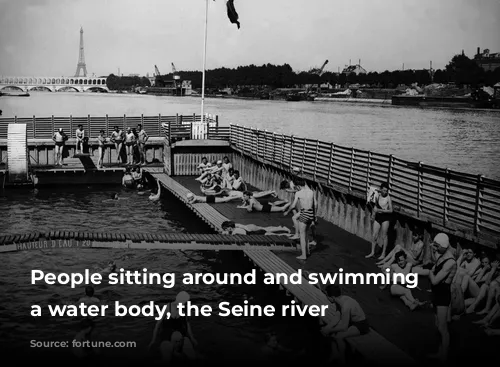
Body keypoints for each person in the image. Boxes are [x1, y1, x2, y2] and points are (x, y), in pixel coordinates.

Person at [320, 284, 370, 364]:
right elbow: (337, 316)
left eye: (326, 295)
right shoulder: (340, 299)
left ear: (332, 297)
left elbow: (344, 327)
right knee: (333, 333)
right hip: (351, 321)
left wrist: (329, 330)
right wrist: (328, 327)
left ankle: (342, 359)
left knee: (339, 336)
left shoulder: (346, 306)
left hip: (360, 325)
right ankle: (335, 354)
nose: (326, 297)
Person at [428, 233, 457, 362]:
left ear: (443, 246)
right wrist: (432, 250)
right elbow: (436, 264)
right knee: (437, 325)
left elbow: (434, 280)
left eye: (437, 246)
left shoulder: (450, 262)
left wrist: (430, 273)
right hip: (437, 293)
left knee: (442, 327)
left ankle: (444, 356)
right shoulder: (443, 255)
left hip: (443, 295)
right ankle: (440, 351)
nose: (435, 248)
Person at [148, 291, 197, 363]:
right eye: (185, 302)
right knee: (166, 359)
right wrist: (153, 340)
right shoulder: (168, 307)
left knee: (193, 357)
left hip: (181, 338)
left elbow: (187, 324)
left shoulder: (184, 309)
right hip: (167, 338)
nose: (185, 304)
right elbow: (157, 325)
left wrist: (192, 338)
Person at [284, 178, 316, 260]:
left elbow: (293, 205)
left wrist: (287, 211)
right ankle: (307, 251)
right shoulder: (311, 192)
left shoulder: (298, 193)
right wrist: (314, 216)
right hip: (311, 214)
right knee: (307, 234)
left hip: (304, 213)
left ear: (298, 186)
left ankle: (303, 255)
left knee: (302, 235)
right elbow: (314, 205)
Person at [366, 182, 393, 260]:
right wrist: (373, 215)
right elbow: (375, 206)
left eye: (386, 191)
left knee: (384, 235)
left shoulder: (388, 197)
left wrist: (381, 210)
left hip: (385, 217)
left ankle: (383, 254)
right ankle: (372, 252)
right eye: (384, 190)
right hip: (378, 216)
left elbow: (391, 210)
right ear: (381, 189)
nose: (385, 192)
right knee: (374, 235)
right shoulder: (377, 195)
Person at [221, 221, 291, 236]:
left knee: (268, 231)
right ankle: (281, 228)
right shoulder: (233, 227)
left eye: (225, 229)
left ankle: (283, 230)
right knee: (267, 229)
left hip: (251, 229)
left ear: (229, 227)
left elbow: (243, 227)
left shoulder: (236, 229)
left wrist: (248, 230)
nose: (225, 230)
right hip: (250, 229)